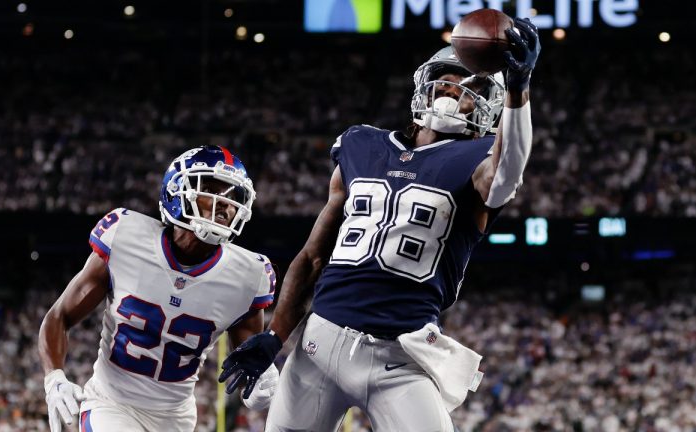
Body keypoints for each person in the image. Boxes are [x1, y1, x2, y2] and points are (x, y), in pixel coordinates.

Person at [220, 16, 540, 432]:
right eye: (445, 81)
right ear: (422, 87)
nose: (452, 90)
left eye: (468, 88)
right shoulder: (362, 145)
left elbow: (509, 170)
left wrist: (518, 90)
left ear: (487, 107)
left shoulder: (478, 162)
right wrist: (275, 336)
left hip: (400, 358)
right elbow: (313, 257)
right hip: (319, 343)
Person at [38, 146, 280, 432]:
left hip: (176, 416)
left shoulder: (249, 275)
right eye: (213, 190)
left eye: (233, 196)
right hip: (111, 403)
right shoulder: (126, 236)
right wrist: (54, 378)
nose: (225, 204)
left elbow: (248, 354)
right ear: (178, 192)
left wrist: (262, 373)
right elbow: (59, 316)